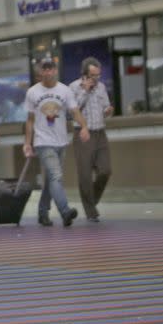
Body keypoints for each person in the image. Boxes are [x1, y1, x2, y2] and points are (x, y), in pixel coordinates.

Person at [24, 58, 90, 227]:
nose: (48, 72)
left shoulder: (65, 90)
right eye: (44, 69)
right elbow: (30, 120)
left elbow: (75, 111)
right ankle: (65, 211)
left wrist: (84, 127)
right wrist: (27, 143)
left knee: (51, 180)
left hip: (61, 141)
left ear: (55, 70)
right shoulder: (32, 92)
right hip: (42, 141)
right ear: (40, 71)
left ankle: (42, 212)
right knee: (56, 176)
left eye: (51, 68)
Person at [69, 57, 114, 222]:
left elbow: (104, 107)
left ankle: (91, 201)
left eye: (98, 75)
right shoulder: (73, 87)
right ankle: (91, 211)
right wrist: (85, 91)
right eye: (93, 76)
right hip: (82, 133)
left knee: (105, 170)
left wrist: (108, 110)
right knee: (85, 175)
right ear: (85, 74)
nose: (96, 79)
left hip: (100, 133)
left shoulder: (101, 87)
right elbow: (73, 111)